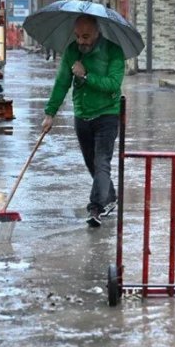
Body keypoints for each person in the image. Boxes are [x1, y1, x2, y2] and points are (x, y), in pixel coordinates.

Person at [42, 15, 125, 227]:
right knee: (91, 163)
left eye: (86, 36)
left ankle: (95, 207)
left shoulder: (113, 51)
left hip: (107, 114)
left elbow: (113, 84)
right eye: (78, 36)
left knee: (101, 162)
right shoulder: (72, 52)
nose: (82, 41)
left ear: (97, 32)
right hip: (82, 116)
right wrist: (50, 113)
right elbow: (62, 83)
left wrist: (86, 75)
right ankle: (110, 197)